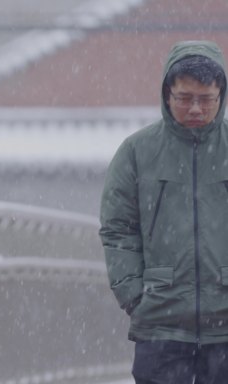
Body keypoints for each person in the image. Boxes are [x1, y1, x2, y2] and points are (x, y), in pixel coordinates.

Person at [100, 40, 228, 384]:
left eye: (206, 99)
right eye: (185, 98)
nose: (196, 109)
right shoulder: (137, 152)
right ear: (166, 95)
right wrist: (133, 293)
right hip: (160, 320)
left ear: (222, 96)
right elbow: (118, 229)